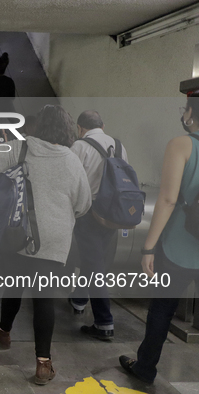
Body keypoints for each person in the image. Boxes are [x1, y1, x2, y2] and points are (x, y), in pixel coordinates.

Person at [0, 105, 91, 385]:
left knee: (13, 283)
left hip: (20, 233)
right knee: (44, 298)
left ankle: (4, 331)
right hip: (55, 238)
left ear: (39, 126)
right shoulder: (73, 160)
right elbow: (84, 204)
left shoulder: (20, 148)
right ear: (67, 130)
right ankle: (43, 364)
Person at [119, 95, 199, 384]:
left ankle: (145, 367)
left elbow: (166, 199)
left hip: (178, 246)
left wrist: (148, 246)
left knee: (162, 309)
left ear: (190, 113)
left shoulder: (182, 144)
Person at [69, 110, 128, 340]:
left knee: (95, 267)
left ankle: (104, 322)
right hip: (113, 214)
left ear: (80, 128)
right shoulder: (120, 146)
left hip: (89, 213)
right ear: (103, 125)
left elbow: (72, 181)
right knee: (94, 259)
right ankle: (79, 298)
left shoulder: (79, 146)